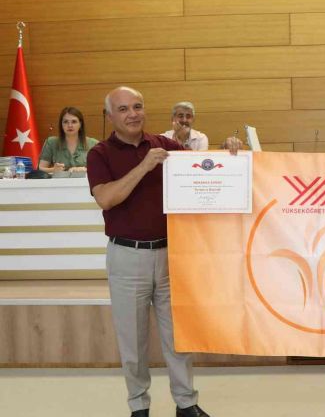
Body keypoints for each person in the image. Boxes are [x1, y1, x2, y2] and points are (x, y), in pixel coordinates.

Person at [87, 86, 241, 417]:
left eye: (137, 106)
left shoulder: (163, 145)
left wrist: (228, 151)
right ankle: (139, 406)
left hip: (171, 255)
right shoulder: (99, 153)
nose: (133, 114)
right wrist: (144, 166)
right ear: (110, 116)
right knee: (132, 341)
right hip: (127, 257)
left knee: (178, 337)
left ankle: (186, 403)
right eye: (123, 109)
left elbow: (204, 166)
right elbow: (106, 199)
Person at [38, 107, 98, 173]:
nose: (70, 125)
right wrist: (53, 170)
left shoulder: (93, 144)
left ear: (80, 124)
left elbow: (101, 169)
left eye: (74, 122)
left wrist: (86, 169)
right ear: (61, 125)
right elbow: (40, 169)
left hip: (85, 180)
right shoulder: (51, 142)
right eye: (66, 122)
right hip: (59, 179)